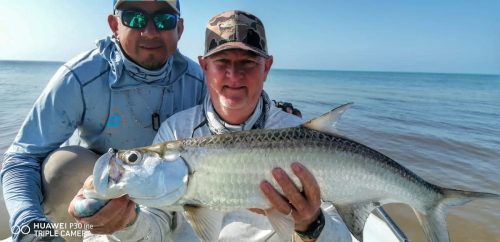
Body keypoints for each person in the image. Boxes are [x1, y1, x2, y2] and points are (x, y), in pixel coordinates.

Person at [74, 10, 352, 242]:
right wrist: (127, 222)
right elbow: (155, 226)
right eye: (222, 63)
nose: (234, 75)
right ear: (204, 66)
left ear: (266, 67)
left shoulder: (299, 134)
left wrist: (310, 225)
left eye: (248, 62)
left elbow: (341, 235)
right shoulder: (177, 130)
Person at [1, 0, 206, 241]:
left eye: (164, 20)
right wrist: (28, 223)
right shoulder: (79, 77)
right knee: (62, 167)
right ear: (114, 25)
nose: (150, 32)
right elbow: (22, 157)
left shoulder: (200, 81)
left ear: (179, 29)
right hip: (106, 192)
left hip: (173, 194)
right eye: (134, 18)